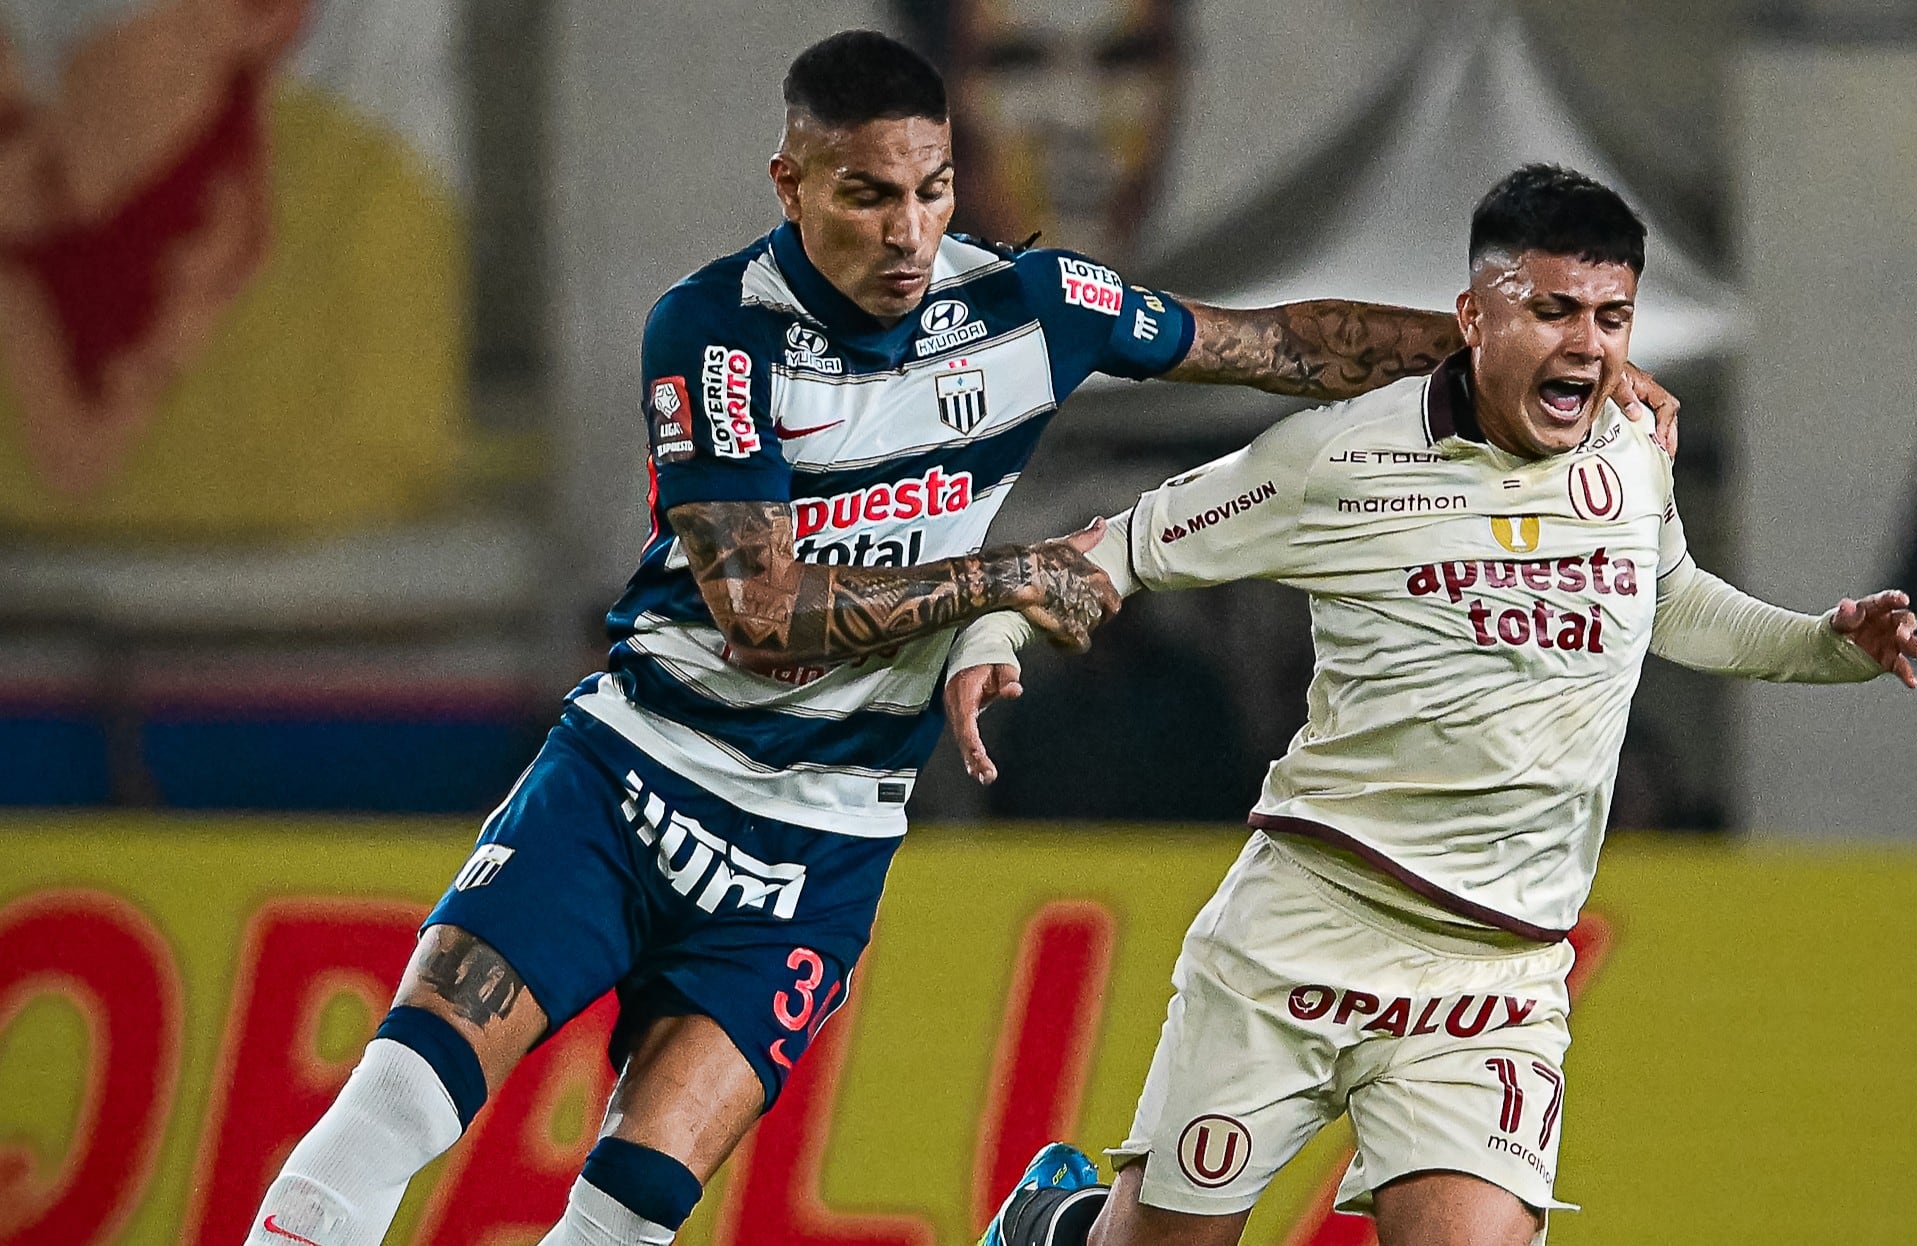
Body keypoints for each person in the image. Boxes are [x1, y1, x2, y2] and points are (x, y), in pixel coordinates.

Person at [239, 32, 1678, 1246]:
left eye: (930, 191)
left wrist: (1541, 352)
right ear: (789, 185)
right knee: (389, 1114)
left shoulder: (1029, 304)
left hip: (818, 849)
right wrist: (1003, 574)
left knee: (624, 1218)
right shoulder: (715, 334)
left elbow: (1278, 344)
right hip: (635, 782)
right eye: (866, 195)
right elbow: (758, 612)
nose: (908, 230)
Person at [951, 164, 1917, 1246]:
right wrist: (995, 628)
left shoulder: (1633, 455)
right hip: (1305, 936)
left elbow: (1668, 599)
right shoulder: (1343, 457)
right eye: (1552, 310)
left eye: (1612, 317)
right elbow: (1120, 550)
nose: (1589, 347)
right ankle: (1058, 1225)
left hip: (1496, 978)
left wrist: (1821, 645)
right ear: (1473, 315)